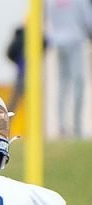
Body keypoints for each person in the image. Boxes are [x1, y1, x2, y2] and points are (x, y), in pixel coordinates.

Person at [45, 0, 92, 138]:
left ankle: (61, 127)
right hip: (76, 40)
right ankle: (77, 128)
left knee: (62, 84)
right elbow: (88, 20)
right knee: (78, 83)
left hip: (58, 41)